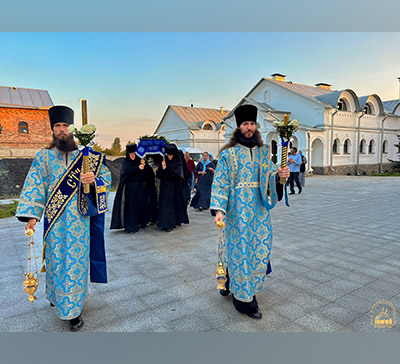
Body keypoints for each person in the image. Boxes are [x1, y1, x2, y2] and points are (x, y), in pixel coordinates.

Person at [15, 105, 111, 331]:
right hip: (55, 222)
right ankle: (57, 297)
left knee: (75, 266)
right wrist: (31, 216)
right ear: (52, 130)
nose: (61, 130)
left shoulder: (87, 157)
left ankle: (73, 310)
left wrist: (93, 181)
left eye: (65, 126)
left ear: (72, 130)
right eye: (57, 126)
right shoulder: (44, 158)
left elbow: (105, 181)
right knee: (57, 263)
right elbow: (35, 185)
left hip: (80, 223)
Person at [211, 104, 290, 319]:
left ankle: (231, 282)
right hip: (237, 214)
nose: (249, 127)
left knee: (257, 251)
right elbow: (221, 183)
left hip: (259, 214)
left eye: (252, 123)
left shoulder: (264, 154)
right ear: (239, 127)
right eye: (245, 124)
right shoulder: (229, 155)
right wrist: (219, 209)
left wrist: (281, 176)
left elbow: (271, 178)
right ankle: (243, 300)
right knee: (240, 252)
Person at [110, 143, 156, 233]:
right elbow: (124, 174)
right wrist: (138, 168)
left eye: (134, 154)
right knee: (131, 207)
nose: (132, 156)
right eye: (130, 154)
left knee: (141, 206)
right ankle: (132, 226)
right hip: (130, 188)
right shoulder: (127, 162)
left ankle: (142, 222)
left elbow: (150, 174)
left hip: (142, 188)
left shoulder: (142, 161)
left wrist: (145, 166)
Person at [156, 144, 189, 232]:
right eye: (168, 155)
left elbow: (177, 174)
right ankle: (164, 223)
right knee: (165, 204)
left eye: (171, 155)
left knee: (172, 204)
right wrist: (162, 169)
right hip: (165, 187)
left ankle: (171, 223)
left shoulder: (178, 162)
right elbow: (159, 175)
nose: (169, 157)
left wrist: (166, 168)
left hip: (175, 187)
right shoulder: (164, 161)